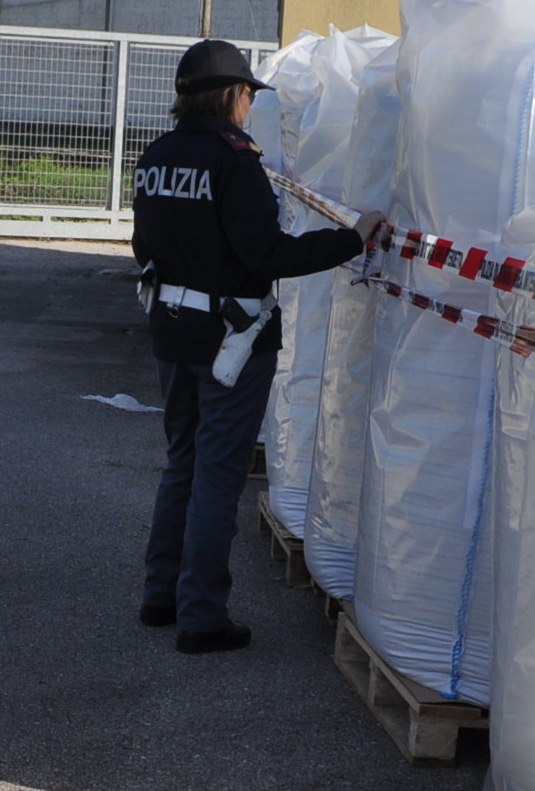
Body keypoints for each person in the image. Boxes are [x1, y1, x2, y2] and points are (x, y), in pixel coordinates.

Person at [131, 38, 382, 654]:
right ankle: (201, 617)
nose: (249, 105)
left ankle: (161, 595)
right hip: (232, 343)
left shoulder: (155, 156)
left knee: (181, 463)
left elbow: (144, 248)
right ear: (233, 96)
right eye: (248, 94)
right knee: (218, 477)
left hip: (172, 331)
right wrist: (351, 240)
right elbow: (267, 253)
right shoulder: (235, 161)